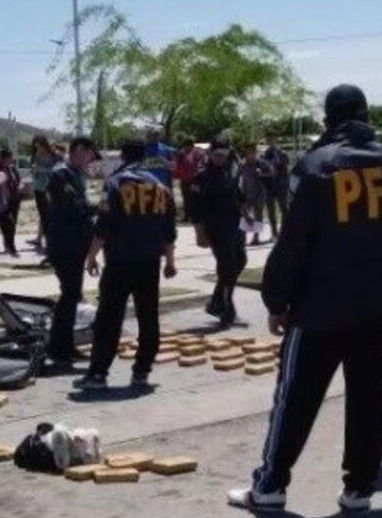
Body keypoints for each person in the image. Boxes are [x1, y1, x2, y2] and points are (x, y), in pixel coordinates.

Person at [227, 84, 382, 514]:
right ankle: (360, 489)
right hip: (377, 304)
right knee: (369, 396)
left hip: (320, 305)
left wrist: (276, 299)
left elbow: (295, 242)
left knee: (296, 396)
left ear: (329, 119)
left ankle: (272, 485)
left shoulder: (317, 166)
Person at [73, 139, 178, 391]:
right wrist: (171, 261)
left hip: (120, 262)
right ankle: (142, 371)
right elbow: (168, 230)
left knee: (109, 318)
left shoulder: (115, 183)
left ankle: (98, 374)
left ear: (122, 156)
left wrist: (91, 256)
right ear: (144, 157)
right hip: (149, 263)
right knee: (148, 317)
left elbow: (103, 226)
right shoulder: (161, 187)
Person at [45, 137, 98, 371]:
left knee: (72, 295)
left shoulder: (74, 174)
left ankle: (63, 345)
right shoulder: (61, 174)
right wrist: (98, 207)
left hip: (75, 244)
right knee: (70, 295)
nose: (90, 161)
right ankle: (59, 347)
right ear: (77, 150)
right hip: (64, 245)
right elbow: (72, 209)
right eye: (88, 155)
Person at [191, 139, 248, 326]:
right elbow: (195, 208)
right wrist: (199, 233)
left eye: (224, 155)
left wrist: (247, 217)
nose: (220, 159)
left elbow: (239, 198)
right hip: (215, 228)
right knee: (227, 264)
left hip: (235, 225)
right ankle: (227, 308)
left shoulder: (229, 172)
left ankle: (216, 301)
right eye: (217, 155)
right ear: (210, 154)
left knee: (240, 261)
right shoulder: (202, 176)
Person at [29, 135, 60, 253]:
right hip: (38, 188)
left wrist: (41, 170)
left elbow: (57, 170)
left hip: (49, 188)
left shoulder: (54, 156)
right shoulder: (35, 156)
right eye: (36, 147)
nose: (38, 149)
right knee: (43, 215)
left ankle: (51, 243)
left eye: (40, 146)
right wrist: (33, 170)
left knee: (50, 216)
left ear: (44, 145)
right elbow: (33, 170)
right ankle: (44, 241)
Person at [260, 137, 290, 241]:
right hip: (269, 186)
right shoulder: (264, 154)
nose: (271, 142)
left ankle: (286, 232)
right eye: (269, 140)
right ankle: (274, 233)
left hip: (281, 185)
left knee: (284, 210)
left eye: (273, 140)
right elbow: (261, 167)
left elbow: (285, 165)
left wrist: (277, 157)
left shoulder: (282, 153)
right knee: (271, 211)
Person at [237, 144, 268, 246]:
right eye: (248, 152)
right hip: (246, 192)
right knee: (244, 214)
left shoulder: (261, 163)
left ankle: (256, 237)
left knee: (258, 214)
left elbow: (272, 172)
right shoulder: (242, 164)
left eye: (252, 152)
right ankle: (243, 238)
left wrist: (262, 173)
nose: (250, 154)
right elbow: (236, 176)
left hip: (259, 192)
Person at [176, 137, 202, 223]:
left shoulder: (196, 153)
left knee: (194, 199)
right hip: (184, 180)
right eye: (185, 146)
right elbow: (178, 165)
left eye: (188, 146)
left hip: (194, 180)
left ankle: (194, 216)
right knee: (186, 199)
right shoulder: (181, 154)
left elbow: (199, 164)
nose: (186, 148)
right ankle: (186, 216)